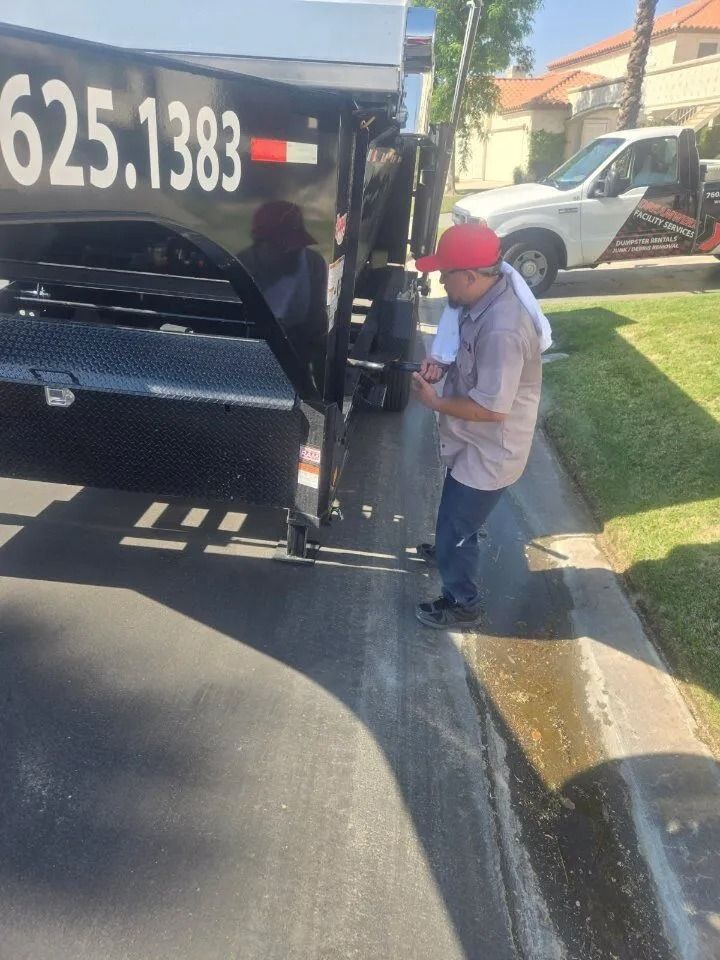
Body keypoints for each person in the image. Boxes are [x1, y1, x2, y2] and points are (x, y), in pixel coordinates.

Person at [412, 224, 542, 629]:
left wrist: (434, 402)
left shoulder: (503, 329)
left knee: (458, 524)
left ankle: (462, 603)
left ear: (469, 276)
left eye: (444, 272)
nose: (439, 279)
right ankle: (450, 547)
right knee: (453, 512)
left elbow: (492, 410)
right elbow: (471, 361)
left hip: (492, 446)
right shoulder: (481, 299)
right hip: (474, 440)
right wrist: (443, 364)